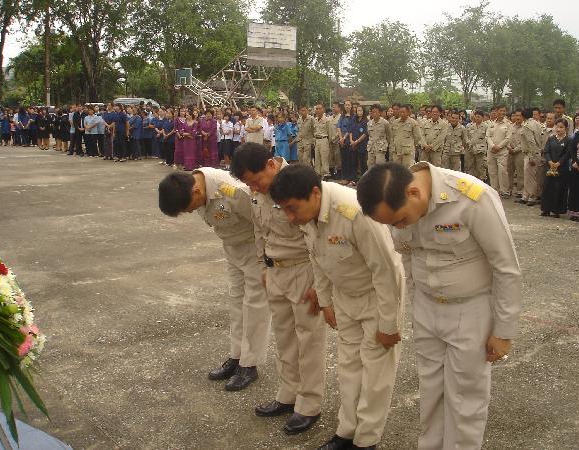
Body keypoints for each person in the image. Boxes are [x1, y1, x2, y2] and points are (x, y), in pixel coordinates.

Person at [357, 162, 521, 450]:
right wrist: (417, 307)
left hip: (470, 310)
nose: (399, 227)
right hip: (427, 308)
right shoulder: (398, 207)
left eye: (400, 220)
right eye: (392, 224)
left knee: (465, 398)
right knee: (430, 390)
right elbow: (407, 258)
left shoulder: (471, 198)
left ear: (414, 193)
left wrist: (504, 331)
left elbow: (505, 267)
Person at [270, 165, 405, 450]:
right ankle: (346, 432)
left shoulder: (354, 212)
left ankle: (366, 440)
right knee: (348, 367)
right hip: (345, 296)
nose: (290, 218)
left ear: (315, 193)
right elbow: (317, 259)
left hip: (376, 297)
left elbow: (386, 270)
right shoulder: (307, 215)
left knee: (375, 374)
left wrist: (389, 323)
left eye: (293, 209)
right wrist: (326, 302)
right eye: (285, 210)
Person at [231, 143, 326, 436]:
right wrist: (263, 266)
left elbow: (318, 238)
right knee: (284, 337)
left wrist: (320, 284)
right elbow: (259, 231)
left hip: (303, 270)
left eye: (255, 180)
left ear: (271, 165)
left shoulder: (299, 183)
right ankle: (288, 393)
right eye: (248, 184)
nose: (253, 188)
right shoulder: (257, 193)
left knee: (308, 340)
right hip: (275, 272)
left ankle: (309, 404)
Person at [158, 169, 271, 390]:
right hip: (232, 248)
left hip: (254, 249)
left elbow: (262, 221)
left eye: (188, 208)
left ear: (197, 192)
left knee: (255, 306)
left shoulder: (233, 191)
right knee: (236, 303)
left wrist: (265, 259)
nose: (190, 212)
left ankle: (250, 364)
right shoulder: (192, 187)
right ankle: (237, 356)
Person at [541, 118, 571, 218]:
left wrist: (558, 163)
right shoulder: (551, 138)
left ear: (566, 128)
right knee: (547, 187)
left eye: (561, 127)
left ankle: (556, 210)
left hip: (562, 168)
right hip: (550, 166)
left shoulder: (568, 140)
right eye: (557, 127)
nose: (558, 129)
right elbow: (546, 151)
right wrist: (550, 161)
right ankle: (546, 209)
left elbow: (567, 154)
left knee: (559, 188)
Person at [517, 109, 542, 206]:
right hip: (536, 152)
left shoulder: (527, 126)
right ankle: (526, 196)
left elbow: (531, 142)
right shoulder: (537, 123)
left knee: (530, 177)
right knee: (528, 177)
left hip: (531, 153)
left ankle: (532, 197)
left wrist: (532, 156)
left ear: (523, 116)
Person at [486, 105, 512, 197]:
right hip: (491, 151)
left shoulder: (508, 124)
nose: (503, 112)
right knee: (492, 171)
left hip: (502, 152)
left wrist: (499, 147)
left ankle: (504, 190)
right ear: (496, 111)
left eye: (504, 111)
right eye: (501, 110)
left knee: (502, 171)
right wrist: (492, 146)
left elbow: (508, 138)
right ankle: (494, 190)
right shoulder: (491, 123)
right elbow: (488, 136)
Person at [567, 127, 579, 221]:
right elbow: (572, 149)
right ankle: (574, 211)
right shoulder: (577, 134)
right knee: (574, 188)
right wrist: (575, 162)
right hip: (575, 165)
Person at [367, 104, 391, 168]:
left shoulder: (385, 123)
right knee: (370, 165)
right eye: (373, 112)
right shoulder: (369, 123)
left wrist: (387, 145)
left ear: (380, 112)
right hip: (371, 148)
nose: (374, 114)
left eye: (376, 112)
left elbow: (389, 136)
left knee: (380, 166)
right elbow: (369, 135)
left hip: (381, 148)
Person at [465, 110, 488, 181]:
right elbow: (466, 136)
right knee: (470, 166)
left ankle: (482, 180)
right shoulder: (471, 126)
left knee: (480, 167)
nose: (477, 118)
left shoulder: (486, 127)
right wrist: (468, 142)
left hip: (480, 150)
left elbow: (487, 138)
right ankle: (472, 181)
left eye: (479, 117)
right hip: (471, 149)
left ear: (482, 117)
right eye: (476, 116)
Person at [507, 110, 524, 198]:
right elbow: (507, 138)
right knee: (509, 171)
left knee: (520, 172)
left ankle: (520, 191)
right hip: (510, 152)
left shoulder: (525, 127)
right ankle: (508, 190)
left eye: (519, 116)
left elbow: (524, 142)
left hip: (520, 153)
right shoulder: (510, 126)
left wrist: (515, 150)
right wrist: (509, 148)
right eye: (516, 115)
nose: (517, 117)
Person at [337, 101, 355, 185]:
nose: (347, 106)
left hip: (349, 140)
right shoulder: (342, 116)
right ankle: (344, 177)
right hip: (341, 140)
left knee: (349, 160)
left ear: (351, 106)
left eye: (349, 105)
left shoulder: (353, 117)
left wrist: (344, 138)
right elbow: (338, 127)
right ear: (344, 106)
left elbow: (350, 128)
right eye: (346, 105)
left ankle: (349, 178)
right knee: (343, 160)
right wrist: (341, 138)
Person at [350, 105, 369, 179]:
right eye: (358, 110)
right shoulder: (353, 120)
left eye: (361, 110)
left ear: (363, 111)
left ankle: (363, 178)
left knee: (363, 163)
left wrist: (357, 141)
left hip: (362, 145)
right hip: (353, 144)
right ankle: (354, 179)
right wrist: (351, 140)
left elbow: (365, 133)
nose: (359, 112)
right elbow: (350, 130)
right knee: (354, 162)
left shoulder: (366, 121)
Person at [313, 103, 331, 179]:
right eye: (317, 109)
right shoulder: (315, 120)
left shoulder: (327, 120)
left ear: (323, 109)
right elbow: (314, 131)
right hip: (317, 140)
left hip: (324, 139)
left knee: (324, 158)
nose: (318, 110)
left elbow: (329, 132)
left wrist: (328, 143)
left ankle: (326, 174)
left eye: (320, 108)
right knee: (317, 159)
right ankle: (318, 174)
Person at [329, 102, 343, 178]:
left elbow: (341, 130)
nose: (333, 108)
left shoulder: (341, 118)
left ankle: (339, 173)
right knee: (330, 157)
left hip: (337, 141)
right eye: (333, 107)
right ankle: (331, 173)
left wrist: (334, 138)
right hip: (329, 142)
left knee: (338, 157)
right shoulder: (329, 118)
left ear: (339, 108)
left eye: (335, 107)